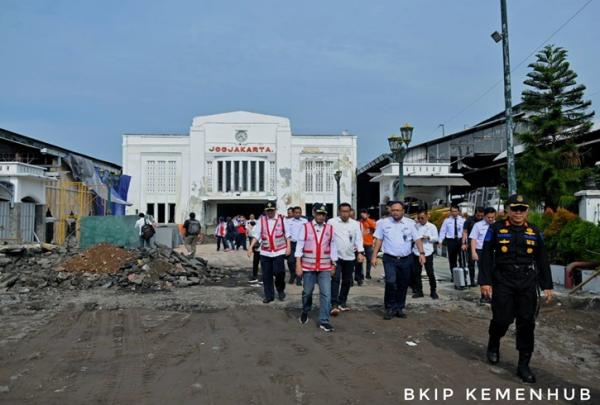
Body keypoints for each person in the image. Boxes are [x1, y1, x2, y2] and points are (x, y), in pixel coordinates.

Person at [479, 195, 553, 384]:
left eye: (522, 209)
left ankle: (523, 365)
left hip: (527, 282)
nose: (518, 212)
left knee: (527, 323)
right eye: (514, 209)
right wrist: (485, 281)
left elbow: (542, 259)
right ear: (507, 210)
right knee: (502, 319)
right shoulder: (496, 229)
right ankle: (494, 343)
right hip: (503, 280)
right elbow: (486, 255)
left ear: (527, 211)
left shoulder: (534, 231)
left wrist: (547, 285)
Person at [371, 201, 425, 320]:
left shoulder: (410, 224)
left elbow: (417, 239)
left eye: (397, 210)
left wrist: (421, 253)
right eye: (393, 210)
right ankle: (389, 308)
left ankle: (399, 307)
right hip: (389, 258)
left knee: (403, 284)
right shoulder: (383, 223)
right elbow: (378, 240)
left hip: (406, 259)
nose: (395, 212)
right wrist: (374, 256)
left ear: (403, 211)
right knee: (391, 281)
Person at [295, 203, 338, 332]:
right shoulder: (305, 227)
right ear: (313, 213)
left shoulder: (330, 229)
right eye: (319, 213)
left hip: (325, 267)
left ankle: (324, 320)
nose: (321, 216)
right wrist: (298, 264)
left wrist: (334, 264)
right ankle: (305, 310)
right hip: (308, 266)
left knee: (326, 294)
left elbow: (333, 247)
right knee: (307, 292)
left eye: (323, 214)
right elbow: (299, 245)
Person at [248, 201, 291, 303]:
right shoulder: (261, 220)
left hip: (279, 250)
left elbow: (287, 234)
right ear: (265, 211)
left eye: (271, 210)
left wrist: (288, 247)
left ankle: (280, 289)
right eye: (268, 211)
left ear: (275, 210)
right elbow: (256, 235)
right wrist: (250, 247)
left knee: (279, 272)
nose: (270, 213)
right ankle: (269, 295)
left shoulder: (282, 219)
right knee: (266, 275)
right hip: (265, 252)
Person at [328, 203, 365, 315]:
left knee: (347, 280)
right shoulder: (332, 222)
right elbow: (328, 238)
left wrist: (360, 252)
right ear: (339, 212)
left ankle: (342, 302)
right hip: (336, 256)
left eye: (347, 211)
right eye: (343, 211)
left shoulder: (355, 224)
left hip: (350, 256)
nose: (345, 214)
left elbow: (358, 239)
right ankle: (333, 303)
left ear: (350, 212)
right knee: (335, 279)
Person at [470, 207, 497, 303]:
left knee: (494, 272)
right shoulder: (478, 225)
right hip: (481, 251)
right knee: (483, 272)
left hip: (494, 252)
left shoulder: (497, 226)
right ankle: (484, 295)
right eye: (488, 217)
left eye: (492, 217)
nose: (490, 219)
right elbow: (473, 239)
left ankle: (492, 294)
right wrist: (473, 252)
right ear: (484, 216)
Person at [412, 209, 439, 299]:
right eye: (419, 218)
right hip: (416, 252)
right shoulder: (415, 226)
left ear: (427, 216)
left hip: (428, 252)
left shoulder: (432, 226)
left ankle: (433, 291)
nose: (420, 220)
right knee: (416, 273)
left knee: (430, 272)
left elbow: (436, 239)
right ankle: (419, 291)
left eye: (422, 218)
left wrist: (428, 237)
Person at [438, 205, 465, 281]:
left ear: (458, 212)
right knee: (452, 259)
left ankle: (463, 275)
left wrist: (465, 242)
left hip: (460, 241)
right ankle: (454, 276)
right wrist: (440, 241)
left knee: (462, 259)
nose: (454, 213)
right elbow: (443, 231)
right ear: (450, 212)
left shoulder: (463, 220)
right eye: (452, 211)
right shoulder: (447, 221)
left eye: (455, 211)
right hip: (451, 241)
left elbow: (465, 232)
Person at [285, 206, 308, 285]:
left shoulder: (305, 221)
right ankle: (293, 273)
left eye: (299, 213)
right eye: (296, 212)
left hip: (302, 244)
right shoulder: (288, 221)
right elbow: (287, 232)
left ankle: (299, 279)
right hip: (292, 243)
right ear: (293, 213)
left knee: (300, 261)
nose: (298, 214)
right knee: (290, 261)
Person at [462, 207, 485, 286]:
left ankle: (480, 280)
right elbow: (465, 232)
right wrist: (464, 243)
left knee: (481, 264)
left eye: (482, 215)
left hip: (481, 246)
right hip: (470, 244)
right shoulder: (469, 220)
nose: (480, 217)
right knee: (471, 264)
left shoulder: (484, 220)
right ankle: (471, 280)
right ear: (475, 213)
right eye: (478, 215)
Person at [359, 209, 377, 280]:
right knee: (360, 259)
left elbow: (375, 227)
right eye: (362, 213)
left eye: (364, 213)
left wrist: (367, 219)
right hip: (361, 243)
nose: (363, 214)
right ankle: (361, 274)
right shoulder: (360, 222)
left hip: (368, 243)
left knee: (369, 259)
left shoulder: (371, 221)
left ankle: (368, 273)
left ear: (368, 214)